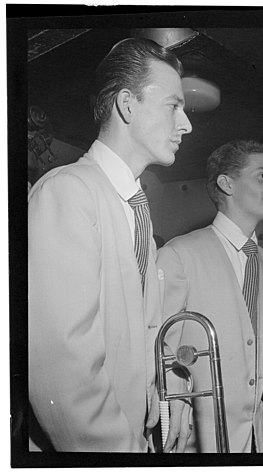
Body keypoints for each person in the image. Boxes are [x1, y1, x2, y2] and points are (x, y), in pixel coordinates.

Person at [28, 37, 193, 452]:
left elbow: (134, 331)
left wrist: (152, 395)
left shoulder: (135, 205)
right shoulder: (67, 192)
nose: (186, 123)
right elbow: (65, 377)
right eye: (174, 105)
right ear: (127, 104)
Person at [156, 140, 263, 452]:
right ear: (226, 183)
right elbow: (163, 347)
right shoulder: (178, 254)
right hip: (197, 437)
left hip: (255, 438)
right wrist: (177, 408)